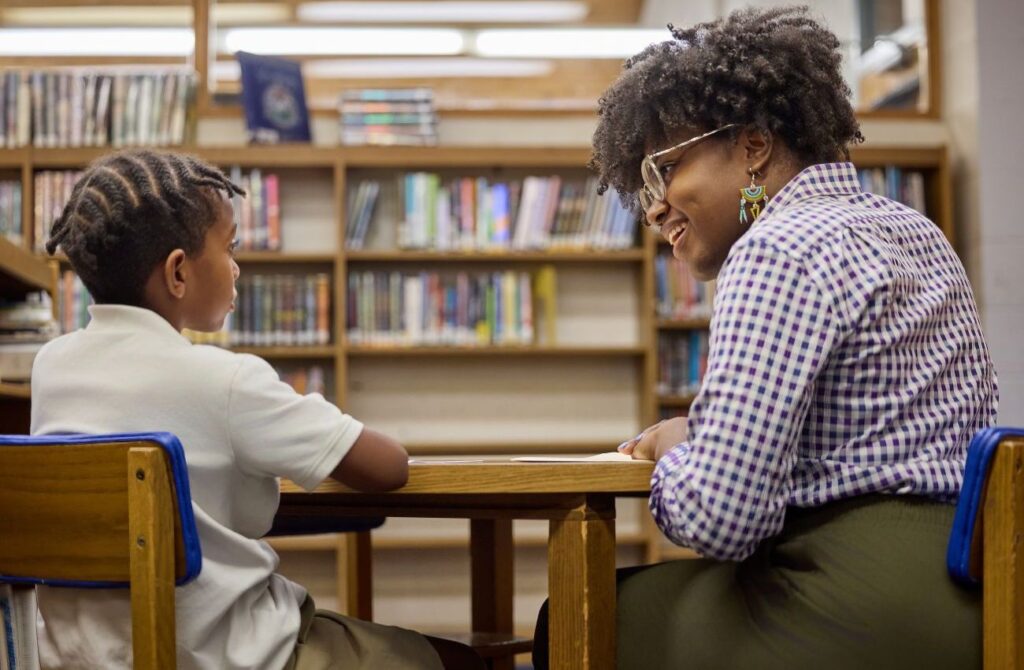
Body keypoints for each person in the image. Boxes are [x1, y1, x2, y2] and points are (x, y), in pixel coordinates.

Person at [533, 6, 996, 669]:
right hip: (972, 599)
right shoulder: (914, 231)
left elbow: (721, 518)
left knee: (578, 613)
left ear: (752, 147)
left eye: (665, 170)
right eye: (643, 189)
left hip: (855, 606)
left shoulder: (775, 247)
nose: (656, 207)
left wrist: (677, 451)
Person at [32, 149, 482, 670]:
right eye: (230, 247)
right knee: (462, 662)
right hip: (230, 655)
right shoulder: (225, 380)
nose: (237, 266)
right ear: (178, 272)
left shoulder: (51, 368)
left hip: (79, 659)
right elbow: (388, 467)